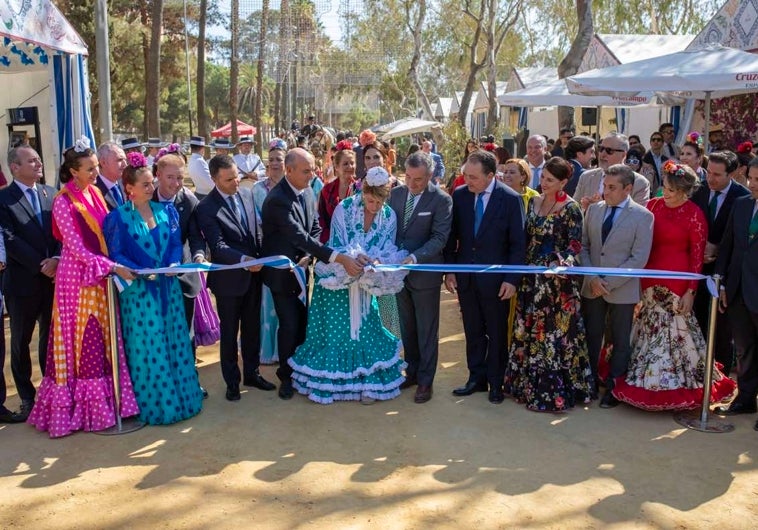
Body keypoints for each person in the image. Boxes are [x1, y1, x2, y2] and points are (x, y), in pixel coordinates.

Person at [27, 139, 139, 438]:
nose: (94, 173)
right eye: (89, 169)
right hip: (77, 281)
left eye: (96, 168)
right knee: (84, 339)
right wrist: (113, 267)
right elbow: (76, 248)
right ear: (73, 171)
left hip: (100, 276)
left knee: (105, 339)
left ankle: (109, 404)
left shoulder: (96, 195)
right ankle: (81, 411)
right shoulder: (64, 201)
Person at [612, 161, 736, 410]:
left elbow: (697, 256)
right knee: (644, 327)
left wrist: (691, 290)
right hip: (648, 276)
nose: (664, 193)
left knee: (674, 331)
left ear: (683, 191)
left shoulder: (694, 214)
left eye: (669, 189)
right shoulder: (653, 206)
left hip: (677, 281)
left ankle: (669, 384)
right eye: (664, 188)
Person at [288, 167, 407, 404]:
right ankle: (331, 383)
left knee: (366, 329)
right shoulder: (344, 208)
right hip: (338, 279)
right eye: (370, 200)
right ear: (363, 192)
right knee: (337, 333)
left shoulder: (390, 216)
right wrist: (355, 257)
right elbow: (336, 245)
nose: (374, 206)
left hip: (367, 282)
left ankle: (367, 383)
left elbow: (386, 247)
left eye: (379, 201)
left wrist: (374, 259)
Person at [103, 153, 203, 424]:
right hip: (139, 294)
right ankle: (156, 405)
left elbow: (174, 242)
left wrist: (171, 263)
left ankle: (183, 399)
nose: (151, 189)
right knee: (149, 346)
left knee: (174, 340)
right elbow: (117, 253)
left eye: (151, 183)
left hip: (168, 288)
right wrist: (141, 271)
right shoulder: (116, 218)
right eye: (145, 185)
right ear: (130, 189)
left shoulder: (166, 211)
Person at [260, 148, 364, 400]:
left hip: (302, 270)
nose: (312, 175)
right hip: (282, 275)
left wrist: (315, 254)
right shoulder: (277, 200)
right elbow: (298, 236)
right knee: (289, 324)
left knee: (300, 323)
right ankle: (285, 376)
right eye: (306, 171)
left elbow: (314, 228)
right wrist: (338, 258)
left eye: (313, 169)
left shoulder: (306, 192)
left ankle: (296, 371)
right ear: (289, 170)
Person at [505, 157, 594, 412]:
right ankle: (524, 386)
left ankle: (553, 392)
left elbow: (574, 246)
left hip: (556, 286)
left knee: (553, 336)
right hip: (529, 280)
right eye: (542, 177)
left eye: (550, 180)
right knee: (528, 331)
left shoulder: (571, 208)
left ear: (564, 182)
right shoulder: (532, 202)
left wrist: (551, 264)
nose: (543, 183)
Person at [444, 150, 526, 404]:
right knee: (473, 330)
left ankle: (495, 382)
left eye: (474, 177)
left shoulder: (511, 199)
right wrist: (450, 270)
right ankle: (475, 378)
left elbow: (518, 244)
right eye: (466, 175)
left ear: (491, 175)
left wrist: (511, 280)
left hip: (497, 282)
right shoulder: (460, 196)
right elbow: (452, 236)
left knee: (497, 332)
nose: (468, 181)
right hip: (466, 278)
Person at [194, 155, 275, 402]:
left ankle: (252, 373)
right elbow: (217, 247)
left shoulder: (247, 195)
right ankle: (232, 382)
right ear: (215, 179)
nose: (236, 182)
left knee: (252, 328)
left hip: (254, 276)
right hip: (229, 280)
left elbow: (255, 231)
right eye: (229, 179)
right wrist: (244, 261)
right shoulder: (206, 208)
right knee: (230, 332)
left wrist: (262, 258)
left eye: (236, 176)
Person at [579, 164, 654, 408]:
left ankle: (614, 387)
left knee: (621, 340)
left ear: (628, 189)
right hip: (592, 286)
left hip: (622, 290)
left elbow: (638, 258)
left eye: (612, 187)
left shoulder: (643, 216)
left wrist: (608, 283)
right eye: (604, 185)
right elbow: (584, 246)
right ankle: (588, 383)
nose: (605, 191)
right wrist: (592, 278)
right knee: (591, 336)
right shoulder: (594, 211)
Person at [0, 145, 60, 422]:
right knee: (21, 342)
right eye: (31, 161)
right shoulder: (4, 199)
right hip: (23, 284)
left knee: (50, 338)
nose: (38, 164)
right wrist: (42, 264)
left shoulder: (50, 194)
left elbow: (61, 232)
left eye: (39, 159)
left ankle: (50, 393)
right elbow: (10, 239)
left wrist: (57, 259)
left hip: (51, 281)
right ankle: (27, 397)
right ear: (14, 167)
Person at [388, 151, 453, 403]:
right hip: (397, 275)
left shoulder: (442, 200)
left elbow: (440, 238)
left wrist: (414, 258)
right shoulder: (395, 194)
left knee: (427, 329)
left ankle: (426, 381)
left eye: (418, 179)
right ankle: (412, 372)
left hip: (424, 274)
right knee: (408, 327)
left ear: (430, 176)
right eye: (408, 177)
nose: (412, 184)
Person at [152, 147, 211, 397]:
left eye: (179, 178)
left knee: (185, 334)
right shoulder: (144, 200)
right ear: (157, 175)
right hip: (153, 281)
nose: (176, 183)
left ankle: (189, 383)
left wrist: (198, 255)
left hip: (184, 277)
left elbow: (197, 237)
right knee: (157, 333)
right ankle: (162, 386)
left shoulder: (188, 200)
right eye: (170, 177)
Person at [691, 151, 749, 375]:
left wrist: (718, 249)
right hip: (697, 270)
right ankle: (698, 372)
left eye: (717, 175)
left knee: (722, 328)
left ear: (732, 173)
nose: (711, 179)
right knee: (698, 321)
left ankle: (720, 376)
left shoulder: (742, 197)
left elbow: (741, 239)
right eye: (709, 173)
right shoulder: (699, 190)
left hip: (725, 272)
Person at [715, 158, 758, 422]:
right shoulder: (742, 204)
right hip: (738, 290)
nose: (753, 184)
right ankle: (746, 399)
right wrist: (721, 282)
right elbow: (727, 245)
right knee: (744, 348)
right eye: (751, 178)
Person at [252, 138, 287, 364]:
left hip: (290, 255)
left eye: (279, 159)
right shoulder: (257, 189)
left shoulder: (295, 185)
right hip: (266, 252)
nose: (274, 164)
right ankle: (268, 349)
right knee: (267, 304)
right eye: (271, 159)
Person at [574, 132, 651, 209]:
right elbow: (574, 209)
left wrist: (600, 209)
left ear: (623, 155)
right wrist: (585, 208)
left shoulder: (639, 183)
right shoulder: (586, 177)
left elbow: (637, 217)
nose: (602, 154)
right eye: (601, 149)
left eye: (609, 150)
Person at [317, 141, 356, 244]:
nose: (350, 167)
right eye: (345, 164)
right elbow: (322, 219)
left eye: (352, 163)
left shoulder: (360, 188)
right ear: (337, 167)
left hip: (355, 241)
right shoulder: (327, 190)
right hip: (331, 241)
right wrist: (328, 240)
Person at [96, 142, 128, 211]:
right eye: (119, 160)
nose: (125, 164)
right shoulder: (93, 188)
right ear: (103, 162)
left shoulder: (126, 183)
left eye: (125, 160)